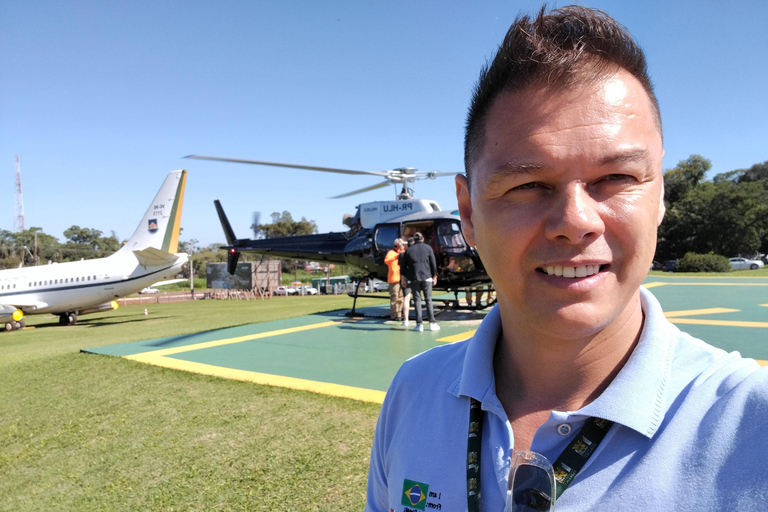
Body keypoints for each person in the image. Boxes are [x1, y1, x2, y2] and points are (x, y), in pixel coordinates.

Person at [366, 6, 768, 512]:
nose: (576, 220)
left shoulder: (753, 424)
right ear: (467, 213)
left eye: (617, 178)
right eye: (528, 185)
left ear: (659, 196)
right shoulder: (411, 393)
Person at [400, 232, 439, 332]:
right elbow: (433, 263)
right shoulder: (428, 248)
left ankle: (419, 324)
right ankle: (432, 323)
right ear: (422, 239)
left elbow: (403, 266)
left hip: (414, 278)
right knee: (428, 300)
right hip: (426, 277)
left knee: (417, 301)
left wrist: (404, 278)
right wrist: (434, 275)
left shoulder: (409, 250)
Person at [384, 239, 405, 321]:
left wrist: (401, 253)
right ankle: (394, 315)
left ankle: (399, 314)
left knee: (401, 297)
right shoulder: (391, 253)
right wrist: (397, 256)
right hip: (394, 279)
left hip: (402, 278)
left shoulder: (403, 252)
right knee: (394, 297)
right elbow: (386, 260)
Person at [398, 238, 413, 326]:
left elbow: (402, 269)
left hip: (406, 278)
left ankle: (406, 319)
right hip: (415, 278)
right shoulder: (415, 254)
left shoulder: (402, 255)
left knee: (406, 298)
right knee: (417, 298)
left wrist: (403, 279)